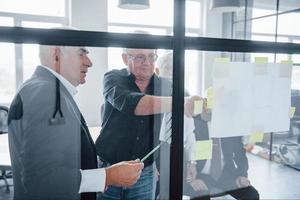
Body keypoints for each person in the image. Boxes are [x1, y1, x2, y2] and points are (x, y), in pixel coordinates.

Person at [8, 44, 144, 200]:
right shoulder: (47, 94)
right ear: (56, 54)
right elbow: (42, 181)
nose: (89, 62)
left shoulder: (43, 88)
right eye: (82, 53)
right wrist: (108, 176)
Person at [95, 47, 201, 199]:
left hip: (144, 174)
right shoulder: (113, 78)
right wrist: (180, 103)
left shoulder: (165, 86)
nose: (147, 62)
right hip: (109, 170)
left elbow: (191, 106)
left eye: (151, 56)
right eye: (140, 57)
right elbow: (133, 104)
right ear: (125, 58)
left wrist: (203, 105)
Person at [186, 111, 260, 200]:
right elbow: (183, 155)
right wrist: (191, 180)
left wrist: (241, 176)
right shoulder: (196, 123)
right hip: (199, 174)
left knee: (252, 195)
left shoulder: (230, 128)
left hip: (225, 174)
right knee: (200, 197)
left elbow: (240, 154)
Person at [155, 52, 199, 200]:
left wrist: (192, 162)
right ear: (157, 71)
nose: (172, 71)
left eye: (176, 68)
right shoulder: (152, 96)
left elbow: (190, 133)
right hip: (157, 150)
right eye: (167, 67)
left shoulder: (186, 96)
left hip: (178, 150)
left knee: (175, 192)